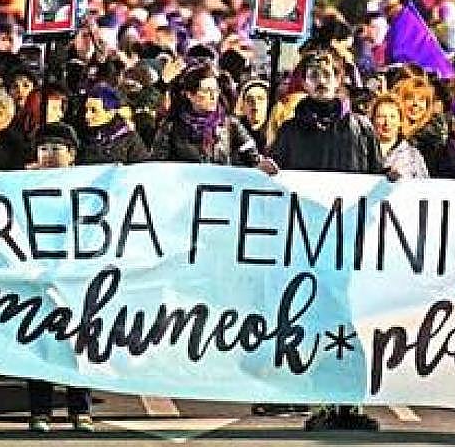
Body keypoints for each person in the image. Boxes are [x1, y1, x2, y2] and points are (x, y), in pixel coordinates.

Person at [269, 50, 382, 433]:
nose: (321, 81)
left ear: (340, 80)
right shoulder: (289, 131)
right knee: (319, 324)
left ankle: (352, 404)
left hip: (350, 245)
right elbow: (276, 184)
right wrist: (267, 173)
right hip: (307, 245)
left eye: (328, 74)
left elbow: (376, 178)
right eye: (314, 74)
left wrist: (392, 178)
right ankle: (325, 402)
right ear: (305, 80)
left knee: (353, 323)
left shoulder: (361, 129)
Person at [22, 122, 94, 433]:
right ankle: (40, 411)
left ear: (72, 155)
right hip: (36, 276)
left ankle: (81, 409)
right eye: (43, 149)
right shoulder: (20, 188)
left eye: (57, 149)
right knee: (39, 343)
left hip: (75, 277)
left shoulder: (90, 187)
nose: (49, 155)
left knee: (77, 345)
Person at [151, 64, 273, 171]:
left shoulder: (230, 124)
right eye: (206, 90)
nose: (213, 96)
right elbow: (157, 166)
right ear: (190, 95)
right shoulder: (171, 127)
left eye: (215, 90)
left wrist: (263, 165)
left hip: (221, 189)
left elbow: (253, 157)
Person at [79, 84, 149, 164]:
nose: (87, 116)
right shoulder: (89, 136)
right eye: (86, 110)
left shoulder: (130, 140)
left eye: (94, 111)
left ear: (111, 112)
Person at [368, 93, 429, 180]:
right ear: (373, 120)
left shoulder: (413, 156)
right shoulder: (363, 151)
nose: (387, 123)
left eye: (392, 117)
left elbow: (424, 187)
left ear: (400, 121)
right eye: (381, 117)